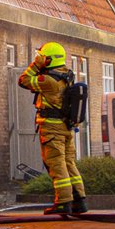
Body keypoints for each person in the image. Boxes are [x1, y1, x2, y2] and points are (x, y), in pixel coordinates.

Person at [18, 42, 87, 216]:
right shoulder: (66, 75)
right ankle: (79, 199)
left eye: (42, 57)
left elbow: (23, 81)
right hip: (65, 127)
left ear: (49, 60)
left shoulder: (48, 80)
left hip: (52, 129)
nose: (39, 59)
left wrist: (35, 65)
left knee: (56, 163)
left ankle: (63, 202)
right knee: (69, 163)